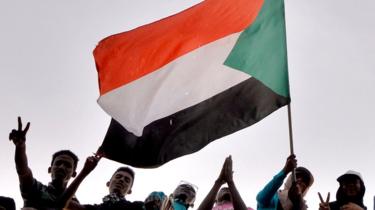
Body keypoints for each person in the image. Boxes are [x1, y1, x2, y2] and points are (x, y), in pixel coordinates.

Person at [8, 117, 79, 210]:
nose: (62, 167)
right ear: (50, 169)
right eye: (58, 163)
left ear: (74, 174)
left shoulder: (75, 204)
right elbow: (23, 170)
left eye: (67, 165)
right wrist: (20, 146)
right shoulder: (37, 188)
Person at [62, 155, 144, 210]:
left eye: (127, 180)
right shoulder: (96, 209)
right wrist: (85, 171)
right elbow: (63, 203)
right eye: (118, 177)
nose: (122, 180)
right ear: (108, 183)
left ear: (129, 191)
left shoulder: (136, 207)